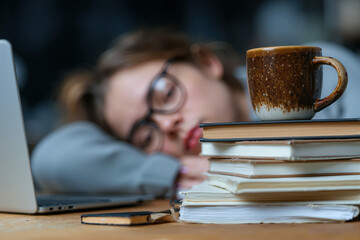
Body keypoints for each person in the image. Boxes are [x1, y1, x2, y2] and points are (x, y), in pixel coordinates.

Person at [31, 28, 250, 198]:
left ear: (207, 63)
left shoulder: (282, 94)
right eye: (147, 137)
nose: (166, 125)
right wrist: (172, 174)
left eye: (167, 95)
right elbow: (50, 159)